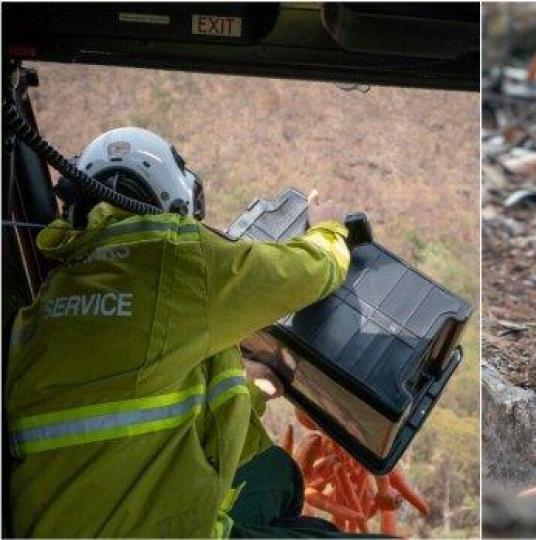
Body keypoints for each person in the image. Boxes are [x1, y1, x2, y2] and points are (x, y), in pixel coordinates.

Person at [4, 127, 356, 537]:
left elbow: (135, 389)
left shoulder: (48, 300)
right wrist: (330, 230)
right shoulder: (171, 258)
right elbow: (306, 273)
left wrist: (246, 387)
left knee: (278, 476)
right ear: (176, 199)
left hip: (57, 524)